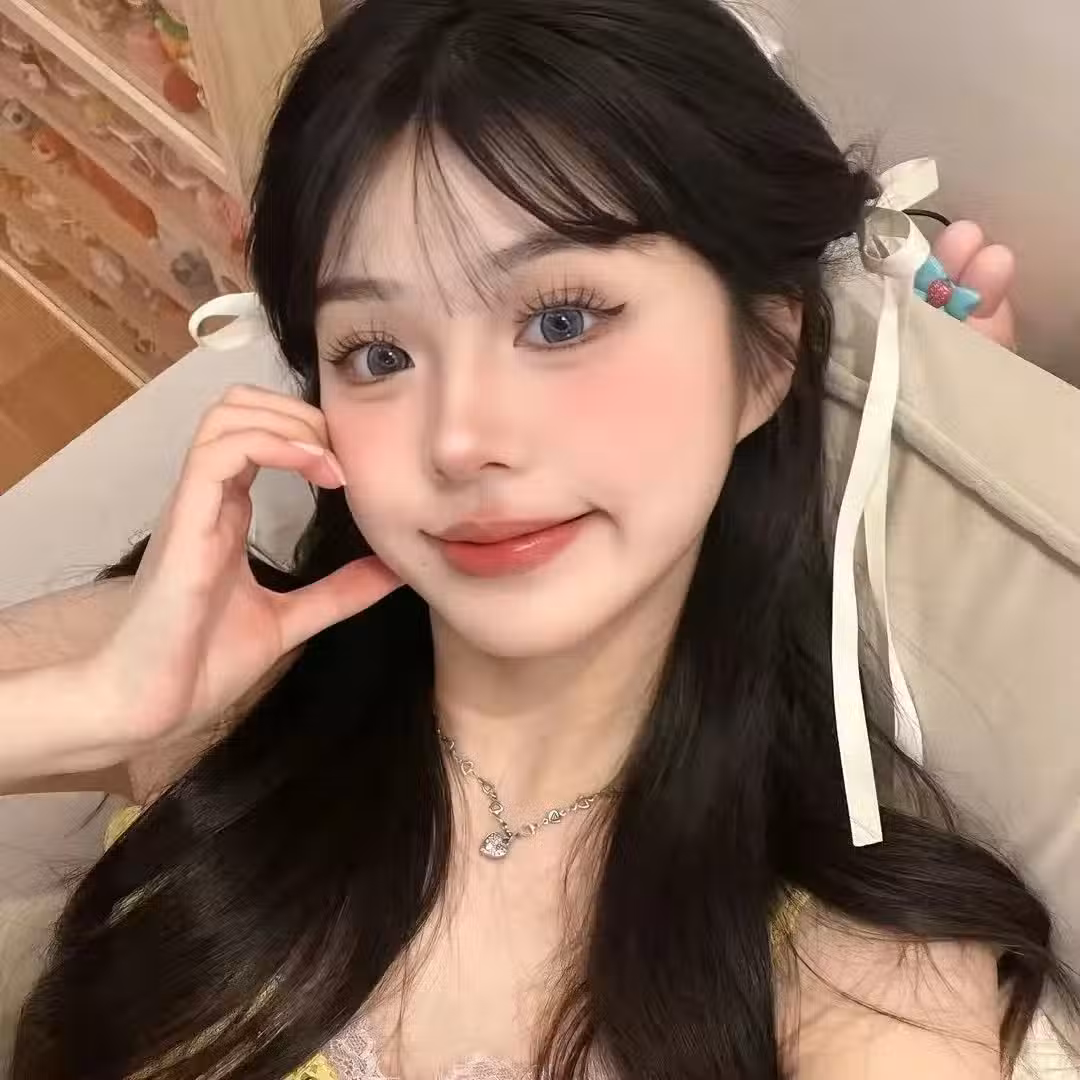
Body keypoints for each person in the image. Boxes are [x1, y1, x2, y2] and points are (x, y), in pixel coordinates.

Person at [1, 0, 1075, 1077]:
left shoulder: (858, 963)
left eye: (561, 320)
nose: (459, 441)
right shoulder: (206, 670)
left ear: (766, 352)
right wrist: (97, 708)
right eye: (377, 353)